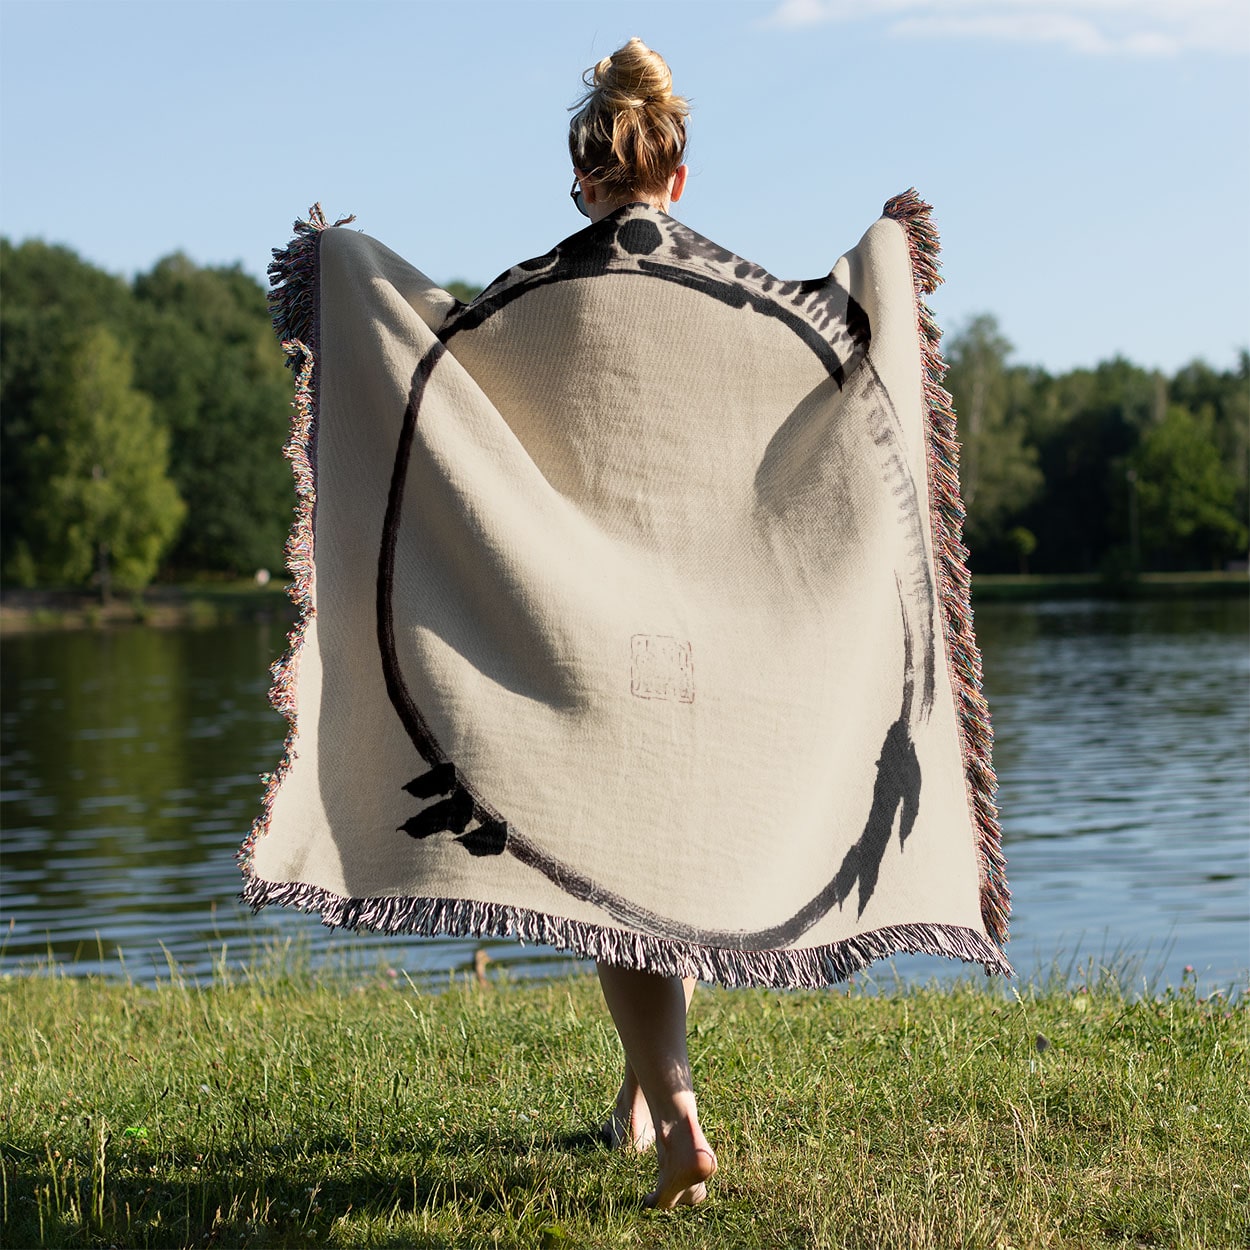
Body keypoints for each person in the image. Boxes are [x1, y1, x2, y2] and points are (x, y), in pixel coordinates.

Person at [567, 37, 716, 1211]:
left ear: (585, 180)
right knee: (658, 870)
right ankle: (632, 1099)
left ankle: (676, 1116)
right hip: (708, 629)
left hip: (588, 629)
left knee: (612, 886)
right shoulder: (731, 298)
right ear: (676, 175)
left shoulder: (545, 296)